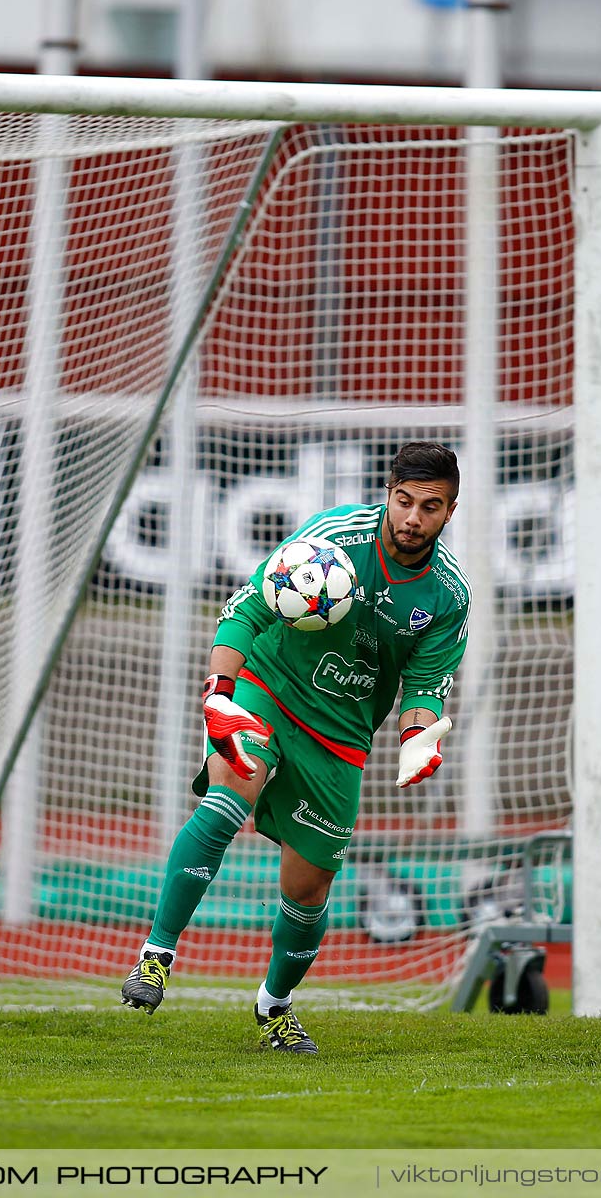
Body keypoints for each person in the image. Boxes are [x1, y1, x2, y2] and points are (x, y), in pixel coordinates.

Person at [120, 441, 467, 1054]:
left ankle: (274, 1006)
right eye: (404, 500)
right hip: (267, 691)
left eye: (430, 507)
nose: (412, 517)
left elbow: (424, 689)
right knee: (226, 804)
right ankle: (156, 954)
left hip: (340, 739)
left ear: (450, 511)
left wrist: (418, 736)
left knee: (307, 893)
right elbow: (247, 611)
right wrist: (220, 693)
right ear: (388, 492)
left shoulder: (448, 597)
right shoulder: (334, 538)